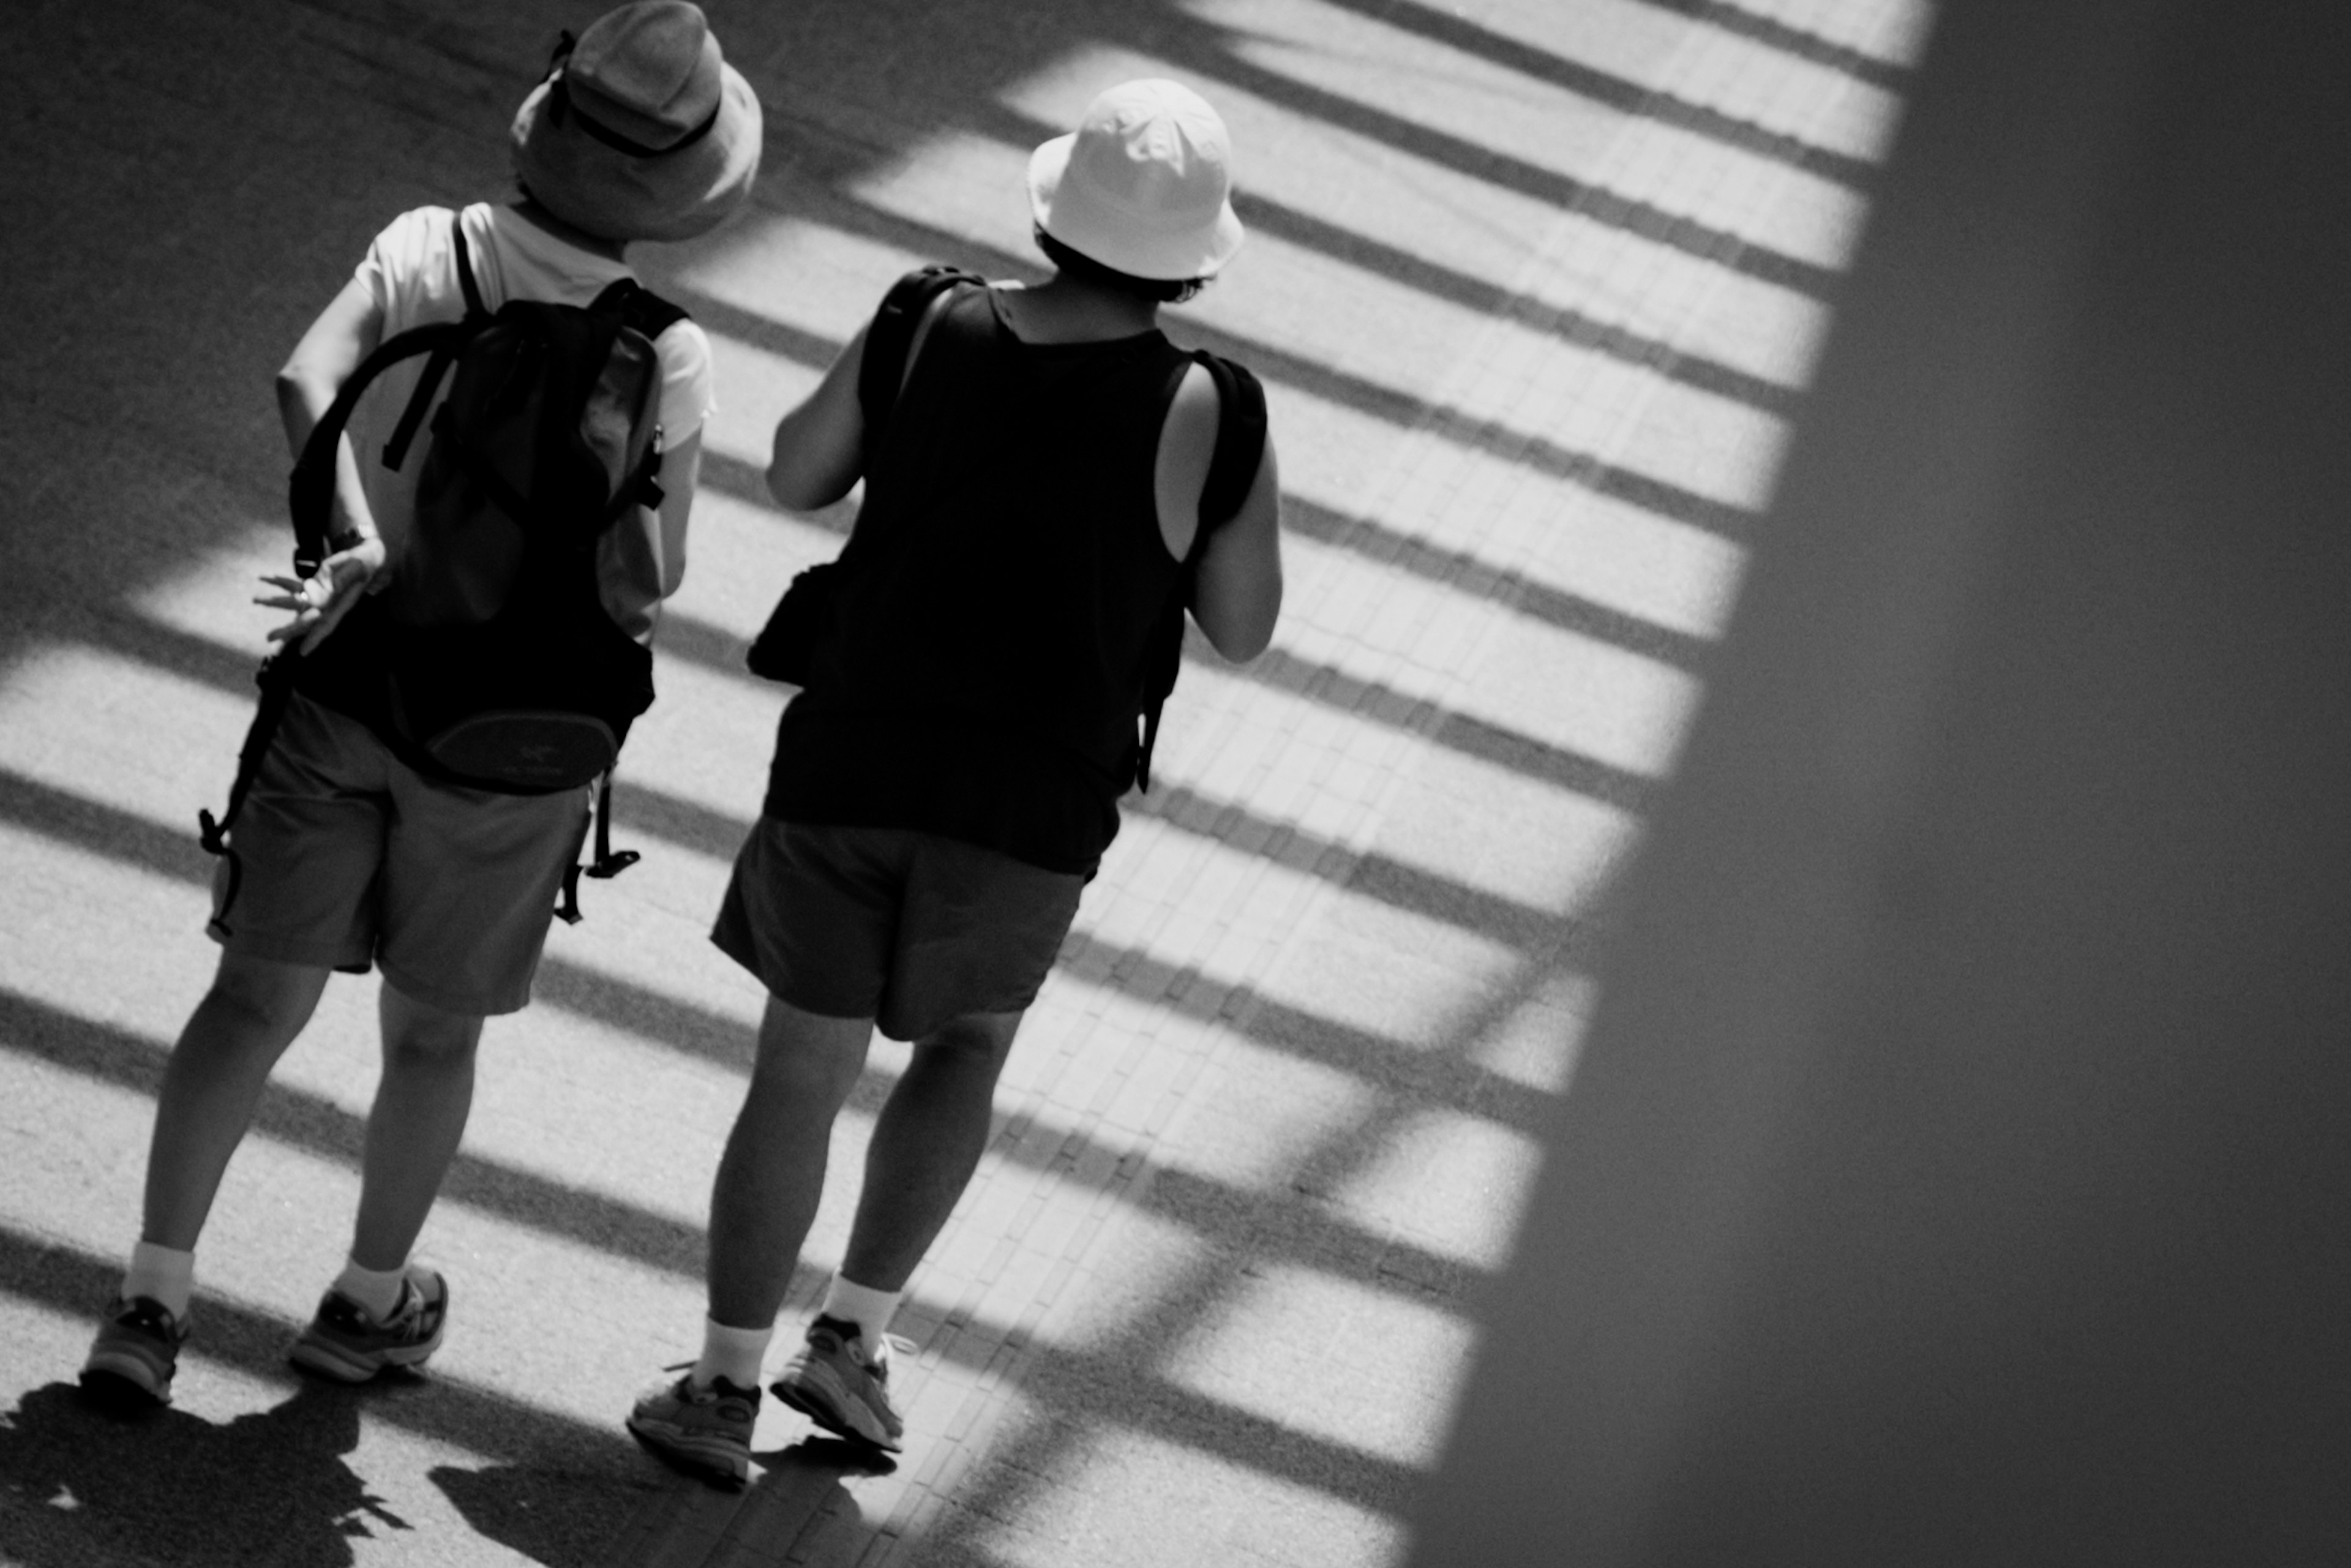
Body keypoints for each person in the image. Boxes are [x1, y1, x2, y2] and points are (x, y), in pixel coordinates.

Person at [78, 1, 759, 1409]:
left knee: (252, 1002)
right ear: (675, 196)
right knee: (435, 1032)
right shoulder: (664, 354)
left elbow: (303, 378)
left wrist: (352, 538)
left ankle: (151, 1301)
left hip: (344, 683)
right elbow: (654, 576)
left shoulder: (425, 246)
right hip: (511, 744)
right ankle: (367, 1301)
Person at [626, 77, 1284, 1485]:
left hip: (853, 756)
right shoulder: (1212, 406)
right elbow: (1242, 624)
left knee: (799, 1069)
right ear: (1196, 251)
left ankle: (722, 1384)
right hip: (1030, 808)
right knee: (964, 1050)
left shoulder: (928, 318)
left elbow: (799, 473)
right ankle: (852, 1344)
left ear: (1056, 212)